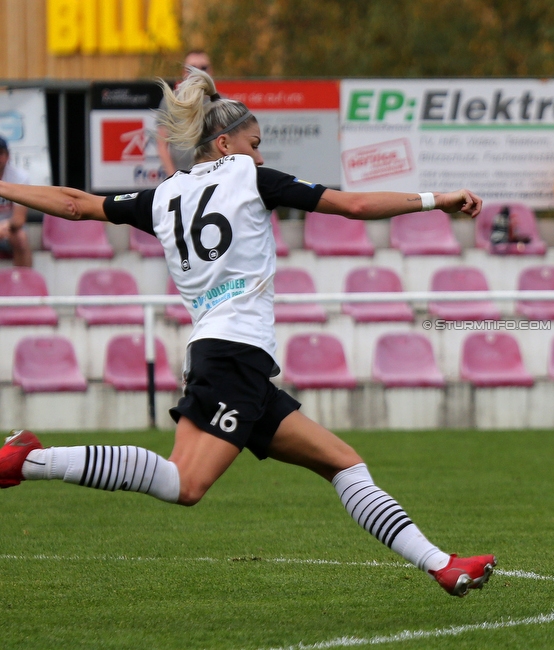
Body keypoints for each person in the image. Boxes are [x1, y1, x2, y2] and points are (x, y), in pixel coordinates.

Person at [0, 68, 495, 598]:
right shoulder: (250, 177)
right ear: (225, 142)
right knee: (184, 484)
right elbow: (352, 205)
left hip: (226, 356)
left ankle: (443, 564)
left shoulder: (164, 195)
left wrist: (3, 186)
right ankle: (30, 461)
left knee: (343, 462)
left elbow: (76, 205)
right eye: (254, 143)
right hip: (233, 354)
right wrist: (435, 199)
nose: (260, 155)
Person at [157, 50, 214, 177]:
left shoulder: (221, 102)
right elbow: (162, 145)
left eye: (203, 68)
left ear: (211, 71)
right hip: (180, 177)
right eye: (192, 68)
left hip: (212, 179)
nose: (198, 72)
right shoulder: (171, 101)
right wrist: (174, 179)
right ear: (184, 72)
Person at [0, 136, 33, 267]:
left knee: (21, 238)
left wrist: (3, 226)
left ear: (7, 156)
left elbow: (19, 219)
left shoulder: (19, 177)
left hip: (9, 229)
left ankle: (24, 284)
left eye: (0, 153)